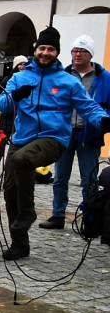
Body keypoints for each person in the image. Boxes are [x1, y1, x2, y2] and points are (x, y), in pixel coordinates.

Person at [0, 28, 110, 259]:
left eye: (51, 49)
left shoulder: (67, 81)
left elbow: (88, 107)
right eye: (42, 48)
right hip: (22, 138)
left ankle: (28, 213)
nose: (45, 53)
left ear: (57, 53)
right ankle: (19, 243)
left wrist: (103, 121)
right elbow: (2, 104)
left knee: (22, 159)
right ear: (35, 50)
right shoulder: (19, 77)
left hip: (53, 138)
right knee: (10, 190)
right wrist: (15, 96)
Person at [39, 35, 110, 230]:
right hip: (64, 133)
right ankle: (57, 215)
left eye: (83, 51)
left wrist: (104, 121)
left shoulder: (104, 78)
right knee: (60, 178)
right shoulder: (62, 75)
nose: (78, 55)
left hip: (90, 134)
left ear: (90, 55)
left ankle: (91, 218)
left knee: (90, 180)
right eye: (75, 51)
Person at [0, 55, 28, 175]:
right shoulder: (8, 80)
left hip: (20, 117)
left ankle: (13, 166)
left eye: (24, 64)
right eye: (19, 64)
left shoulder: (28, 79)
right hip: (7, 117)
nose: (22, 67)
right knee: (1, 142)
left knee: (18, 143)